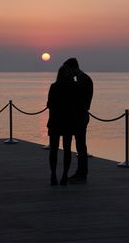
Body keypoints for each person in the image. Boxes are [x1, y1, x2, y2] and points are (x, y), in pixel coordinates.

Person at [47, 58, 93, 186]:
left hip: (65, 120)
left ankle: (63, 175)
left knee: (58, 149)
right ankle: (66, 176)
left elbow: (50, 105)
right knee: (69, 148)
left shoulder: (56, 86)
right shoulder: (75, 84)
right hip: (70, 121)